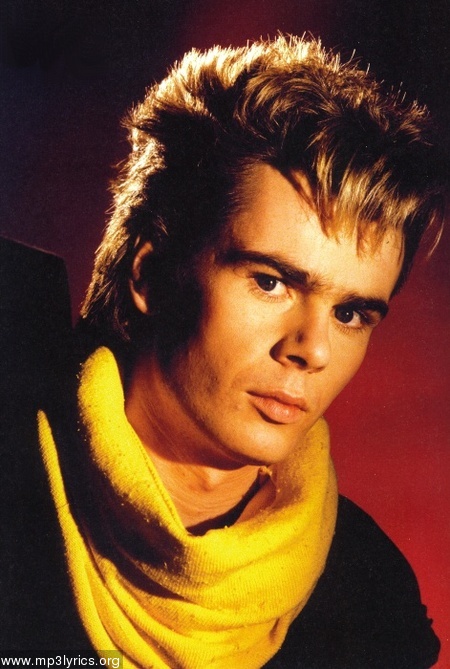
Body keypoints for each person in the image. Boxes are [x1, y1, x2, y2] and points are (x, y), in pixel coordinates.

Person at [11, 36, 446, 667]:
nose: (312, 349)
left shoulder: (371, 601)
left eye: (350, 313)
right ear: (151, 277)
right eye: (271, 282)